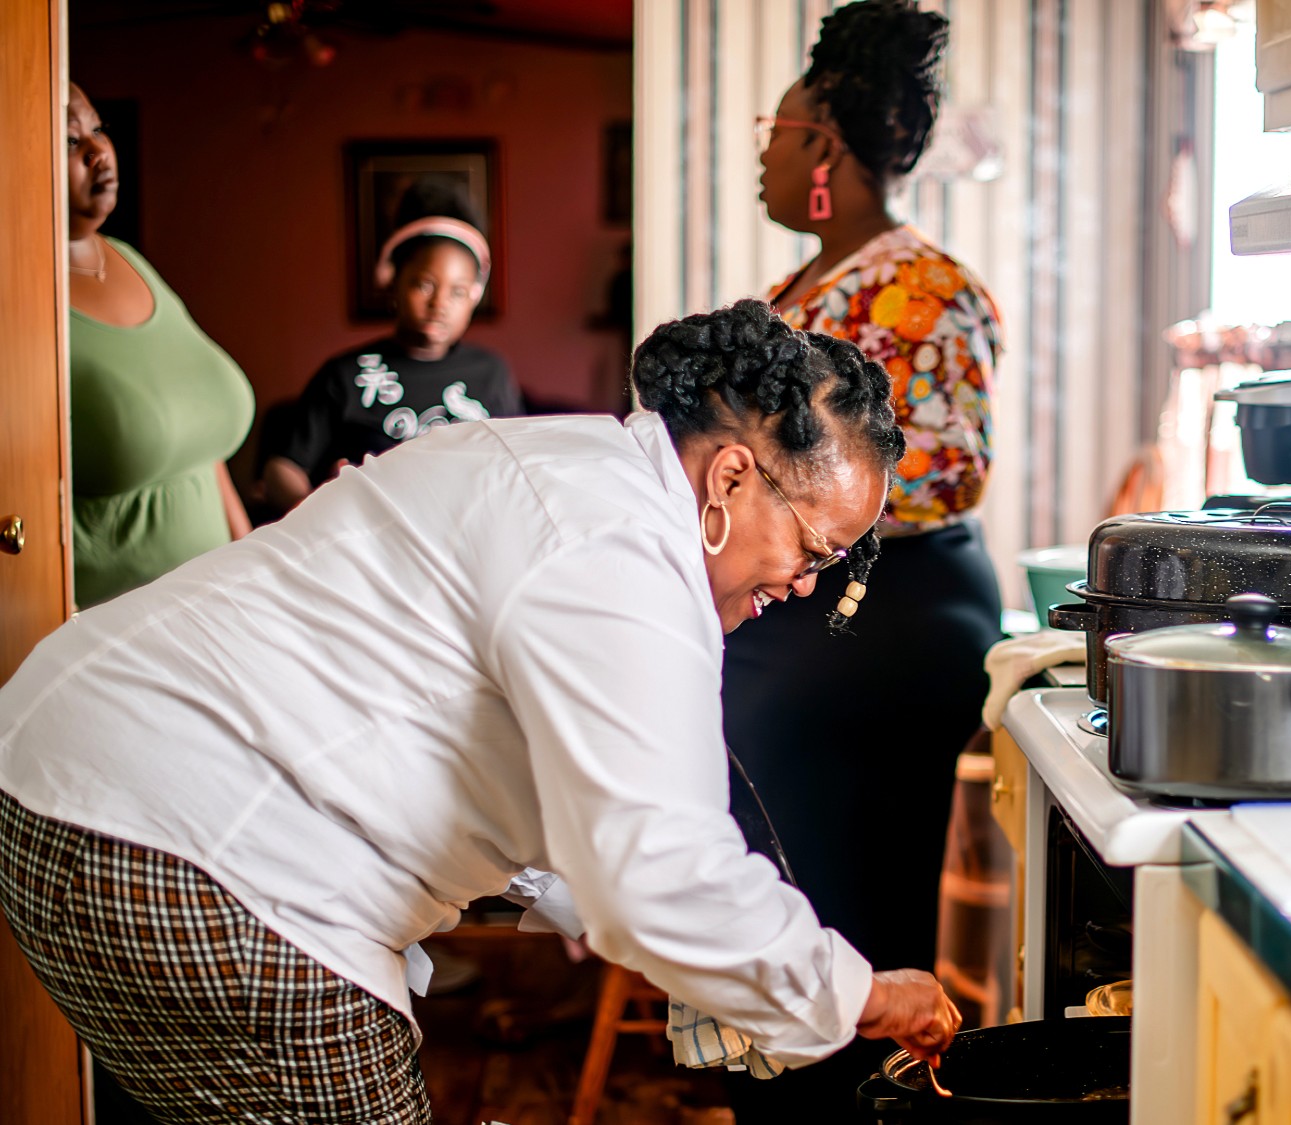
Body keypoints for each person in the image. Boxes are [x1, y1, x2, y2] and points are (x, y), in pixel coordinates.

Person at [0, 300, 959, 1124]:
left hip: (63, 776)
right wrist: (862, 992)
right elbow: (660, 868)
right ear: (733, 477)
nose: (806, 582)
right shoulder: (618, 553)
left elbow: (473, 727)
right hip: (196, 846)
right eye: (817, 549)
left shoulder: (562, 464)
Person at [722, 3, 1005, 1118]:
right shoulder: (816, 287)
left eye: (775, 128)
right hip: (817, 619)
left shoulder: (922, 291)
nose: (764, 150)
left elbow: (947, 473)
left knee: (833, 898)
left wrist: (777, 494)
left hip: (872, 632)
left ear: (824, 150)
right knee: (784, 891)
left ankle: (837, 1099)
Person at [65, 82, 253, 608]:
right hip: (109, 638)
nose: (98, 151)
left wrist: (250, 565)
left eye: (97, 129)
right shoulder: (22, 300)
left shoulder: (129, 260)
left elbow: (205, 455)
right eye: (68, 141)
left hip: (217, 611)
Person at [261, 185, 523, 512]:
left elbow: (517, 468)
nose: (439, 303)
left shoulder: (491, 373)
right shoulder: (344, 374)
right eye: (424, 284)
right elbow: (282, 469)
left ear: (474, 297)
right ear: (394, 282)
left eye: (457, 292)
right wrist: (315, 507)